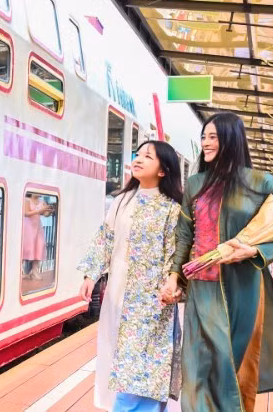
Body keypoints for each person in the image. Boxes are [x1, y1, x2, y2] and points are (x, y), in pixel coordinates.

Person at [160, 113, 273, 412]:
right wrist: (174, 275)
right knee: (198, 369)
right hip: (201, 290)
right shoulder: (195, 183)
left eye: (213, 136)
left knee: (231, 366)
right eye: (204, 136)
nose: (206, 143)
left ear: (231, 139)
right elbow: (185, 235)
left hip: (241, 289)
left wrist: (252, 251)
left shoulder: (260, 182)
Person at [78, 141, 183, 411]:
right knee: (122, 359)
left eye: (148, 157)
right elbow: (105, 238)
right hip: (117, 295)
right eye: (138, 154)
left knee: (141, 367)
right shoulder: (122, 201)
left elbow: (173, 254)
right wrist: (92, 273)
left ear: (163, 171)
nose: (138, 159)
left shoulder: (171, 208)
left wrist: (170, 289)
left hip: (151, 302)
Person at [22, 193, 51, 281]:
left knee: (39, 246)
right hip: (28, 227)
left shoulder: (41, 201)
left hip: (38, 227)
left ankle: (34, 271)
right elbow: (26, 213)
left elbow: (45, 214)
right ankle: (21, 271)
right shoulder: (26, 200)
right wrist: (40, 210)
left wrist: (49, 210)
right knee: (26, 248)